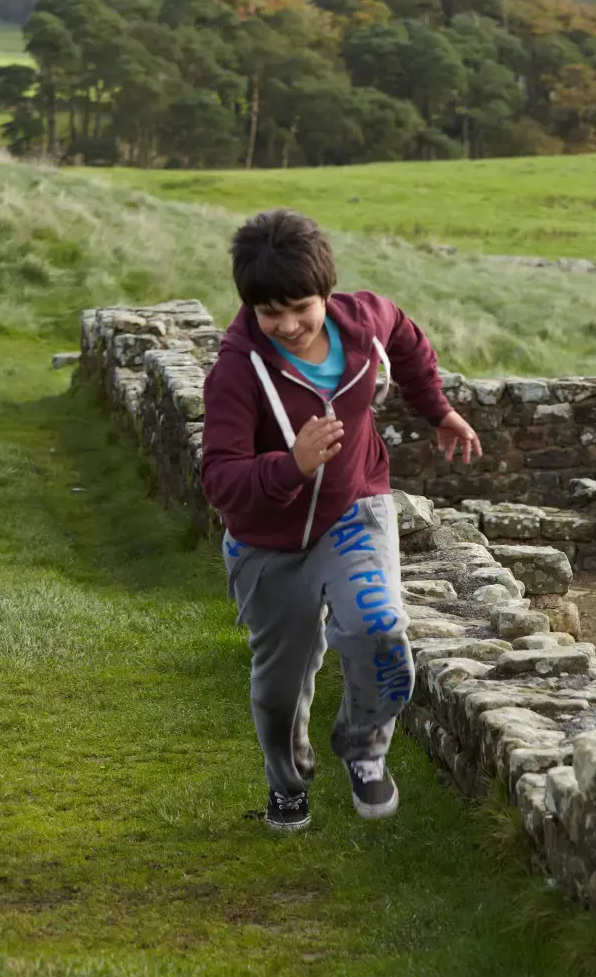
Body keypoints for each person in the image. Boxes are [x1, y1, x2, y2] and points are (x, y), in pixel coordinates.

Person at [200, 208, 483, 832]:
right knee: (280, 689)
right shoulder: (236, 373)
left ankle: (363, 747)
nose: (288, 325)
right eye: (270, 313)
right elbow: (220, 480)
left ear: (326, 291)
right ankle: (288, 781)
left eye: (301, 306)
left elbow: (407, 340)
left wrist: (436, 410)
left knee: (381, 631)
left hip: (354, 509)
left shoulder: (366, 322)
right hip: (267, 543)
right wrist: (290, 466)